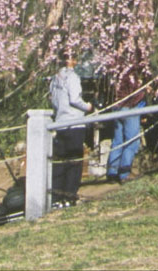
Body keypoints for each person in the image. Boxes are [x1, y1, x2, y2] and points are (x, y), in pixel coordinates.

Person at [46, 64, 89, 207]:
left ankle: (56, 197)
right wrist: (88, 107)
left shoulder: (55, 78)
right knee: (74, 161)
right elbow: (75, 99)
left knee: (60, 161)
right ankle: (70, 196)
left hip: (60, 123)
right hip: (74, 123)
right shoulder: (72, 77)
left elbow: (52, 99)